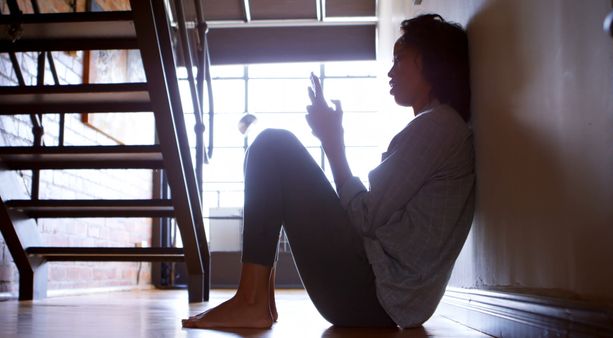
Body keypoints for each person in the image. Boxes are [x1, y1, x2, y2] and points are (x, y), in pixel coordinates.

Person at [182, 13, 475, 330]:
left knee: (271, 144)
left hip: (373, 296)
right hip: (381, 298)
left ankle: (253, 302)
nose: (391, 71)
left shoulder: (438, 127)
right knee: (272, 146)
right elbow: (374, 218)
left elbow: (363, 218)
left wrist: (333, 142)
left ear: (430, 63)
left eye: (399, 59)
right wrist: (331, 141)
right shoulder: (442, 129)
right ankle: (259, 302)